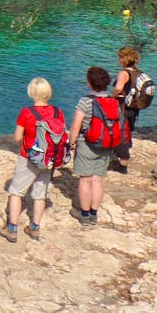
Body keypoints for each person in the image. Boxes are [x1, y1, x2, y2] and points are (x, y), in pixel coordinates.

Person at [0, 77, 62, 243]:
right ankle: (35, 227)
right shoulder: (57, 112)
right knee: (40, 195)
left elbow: (18, 137)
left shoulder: (27, 112)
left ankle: (12, 229)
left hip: (30, 158)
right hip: (49, 159)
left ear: (32, 93)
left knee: (16, 192)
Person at [68, 66, 114, 226]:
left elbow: (75, 126)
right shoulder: (113, 101)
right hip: (107, 145)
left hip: (87, 144)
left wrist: (71, 142)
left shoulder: (85, 101)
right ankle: (94, 214)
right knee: (97, 180)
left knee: (85, 180)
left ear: (90, 83)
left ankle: (85, 215)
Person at [112, 46, 142, 174]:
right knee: (127, 131)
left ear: (123, 59)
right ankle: (121, 159)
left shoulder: (124, 73)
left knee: (120, 132)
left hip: (123, 106)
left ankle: (123, 163)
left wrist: (112, 96)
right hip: (133, 107)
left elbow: (119, 88)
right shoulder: (138, 73)